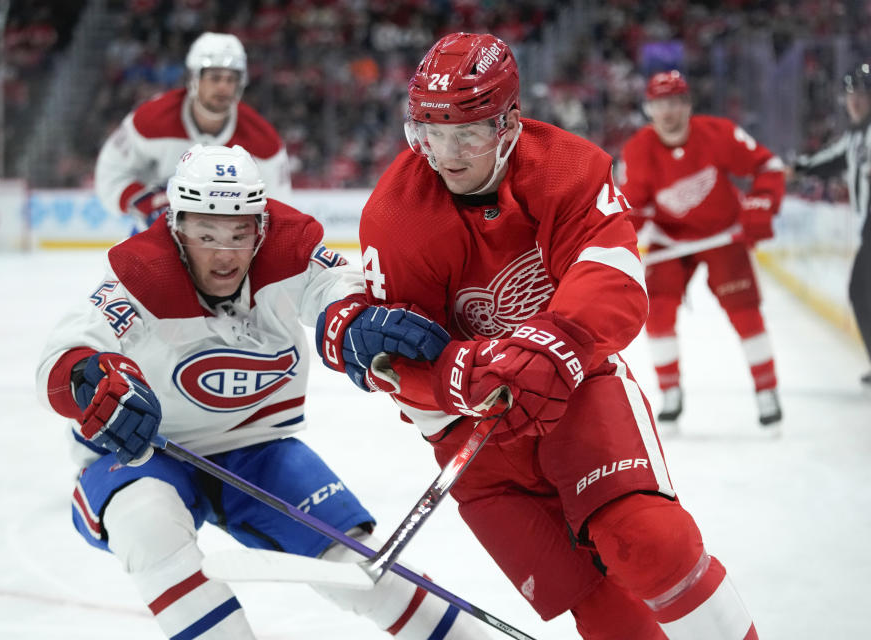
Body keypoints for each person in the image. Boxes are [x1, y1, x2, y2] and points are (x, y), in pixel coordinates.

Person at [318, 33, 758, 640]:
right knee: (597, 605)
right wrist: (468, 375)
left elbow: (616, 278)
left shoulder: (567, 168)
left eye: (466, 133)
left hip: (577, 390)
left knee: (650, 542)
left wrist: (551, 345)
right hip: (467, 434)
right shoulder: (395, 215)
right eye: (429, 132)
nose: (445, 154)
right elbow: (397, 364)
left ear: (509, 123)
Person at [36, 144, 489, 640]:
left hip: (255, 448)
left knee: (360, 567)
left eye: (239, 233)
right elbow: (68, 352)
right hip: (146, 453)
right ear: (176, 227)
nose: (225, 254)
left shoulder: (289, 247)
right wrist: (93, 379)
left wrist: (355, 320)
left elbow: (335, 286)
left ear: (261, 227)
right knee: (148, 525)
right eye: (206, 234)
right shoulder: (144, 272)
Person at [619, 70, 787, 428]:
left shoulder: (718, 134)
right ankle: (670, 392)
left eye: (676, 102)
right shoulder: (637, 150)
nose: (669, 112)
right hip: (670, 241)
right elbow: (631, 211)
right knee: (658, 313)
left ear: (688, 105)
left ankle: (766, 390)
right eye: (660, 104)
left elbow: (768, 166)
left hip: (723, 234)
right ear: (649, 109)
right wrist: (627, 240)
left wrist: (761, 203)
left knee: (745, 312)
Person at [94, 32, 292, 231]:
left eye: (231, 79)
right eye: (215, 78)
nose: (224, 86)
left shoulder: (264, 141)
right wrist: (148, 203)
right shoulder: (150, 120)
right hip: (155, 236)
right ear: (194, 78)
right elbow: (111, 174)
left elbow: (279, 212)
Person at [792, 63, 871, 393]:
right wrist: (796, 168)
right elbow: (829, 160)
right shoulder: (854, 136)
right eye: (851, 95)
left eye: (862, 95)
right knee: (862, 290)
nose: (855, 102)